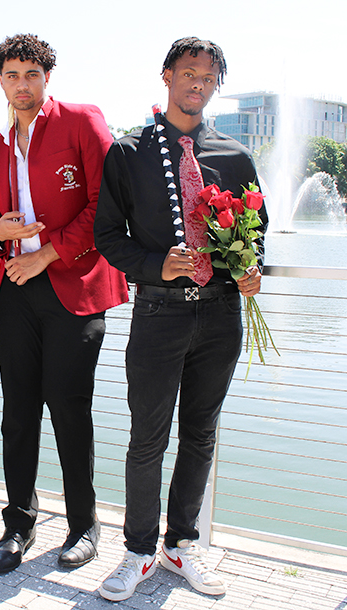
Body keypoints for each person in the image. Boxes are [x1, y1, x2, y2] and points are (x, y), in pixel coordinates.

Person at [94, 37, 268, 600]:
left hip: (221, 319)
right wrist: (155, 265)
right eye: (188, 72)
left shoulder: (235, 156)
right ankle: (138, 551)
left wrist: (251, 269)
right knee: (147, 436)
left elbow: (256, 234)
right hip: (158, 316)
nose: (198, 83)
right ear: (166, 76)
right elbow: (105, 238)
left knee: (200, 435)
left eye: (208, 76)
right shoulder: (128, 152)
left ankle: (180, 545)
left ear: (216, 84)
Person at [0, 33, 128, 574]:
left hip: (75, 284)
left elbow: (107, 205)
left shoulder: (82, 122)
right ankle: (17, 524)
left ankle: (83, 526)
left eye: (31, 75)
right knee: (17, 413)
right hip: (17, 288)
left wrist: (49, 253)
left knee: (69, 409)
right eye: (11, 75)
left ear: (47, 78)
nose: (21, 85)